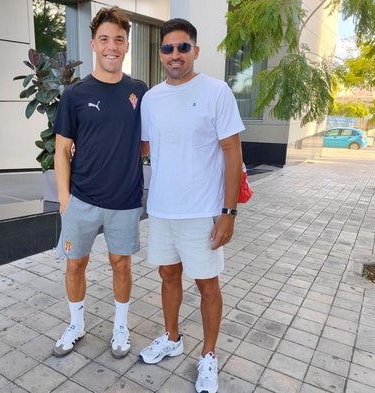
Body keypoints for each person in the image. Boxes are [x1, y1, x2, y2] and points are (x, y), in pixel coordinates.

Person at [139, 18, 244, 393]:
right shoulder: (151, 98)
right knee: (167, 276)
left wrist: (228, 213)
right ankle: (172, 337)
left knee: (207, 285)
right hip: (163, 209)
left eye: (183, 47)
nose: (175, 54)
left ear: (195, 51)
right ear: (161, 54)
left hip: (203, 212)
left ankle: (210, 355)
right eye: (167, 48)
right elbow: (143, 148)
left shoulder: (217, 92)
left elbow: (233, 153)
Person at [52, 6, 147, 359]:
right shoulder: (75, 95)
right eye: (104, 39)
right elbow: (61, 151)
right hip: (82, 200)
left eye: (119, 39)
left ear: (126, 46)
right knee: (75, 264)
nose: (112, 46)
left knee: (121, 265)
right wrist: (65, 201)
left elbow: (147, 141)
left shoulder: (139, 90)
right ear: (93, 44)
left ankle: (120, 326)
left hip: (124, 200)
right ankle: (76, 325)